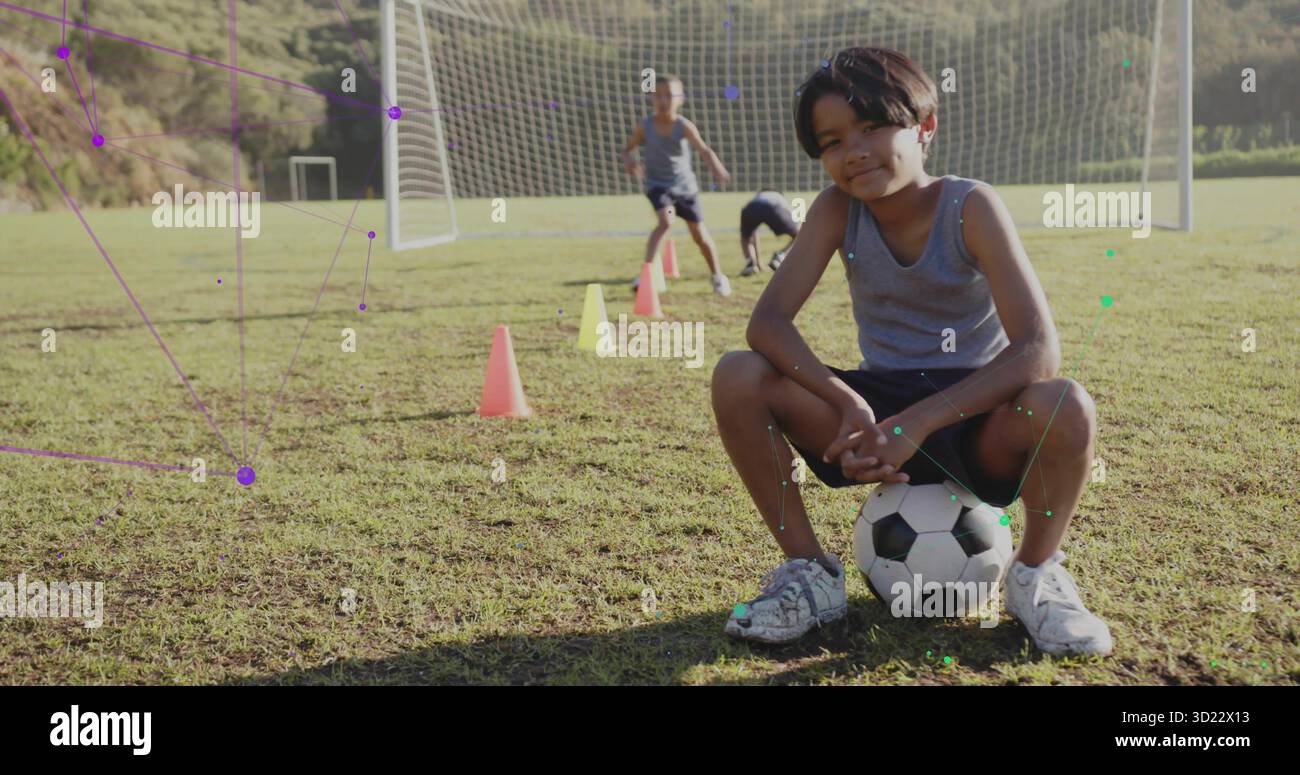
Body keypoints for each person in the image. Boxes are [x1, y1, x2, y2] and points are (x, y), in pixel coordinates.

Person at [710, 47, 1112, 655]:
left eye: (873, 127)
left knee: (1066, 403)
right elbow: (767, 324)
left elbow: (1038, 349)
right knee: (739, 376)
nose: (855, 151)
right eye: (832, 140)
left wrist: (918, 423)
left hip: (974, 416)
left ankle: (1035, 575)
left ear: (924, 128)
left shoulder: (970, 206)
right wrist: (847, 403)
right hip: (875, 409)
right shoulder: (837, 211)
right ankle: (810, 575)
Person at [621, 74, 732, 296]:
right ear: (652, 98)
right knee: (665, 220)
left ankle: (718, 276)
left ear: (680, 99)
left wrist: (716, 167)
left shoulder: (684, 126)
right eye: (658, 95)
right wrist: (630, 162)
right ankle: (646, 276)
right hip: (658, 186)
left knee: (699, 235)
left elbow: (703, 150)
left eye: (669, 95)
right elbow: (627, 148)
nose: (664, 100)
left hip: (684, 187)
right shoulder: (645, 126)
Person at [739, 189, 800, 276]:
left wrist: (758, 262)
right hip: (774, 207)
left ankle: (751, 263)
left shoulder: (758, 196)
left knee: (746, 237)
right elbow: (797, 225)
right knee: (799, 235)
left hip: (751, 207)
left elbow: (754, 234)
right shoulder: (780, 198)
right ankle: (780, 256)